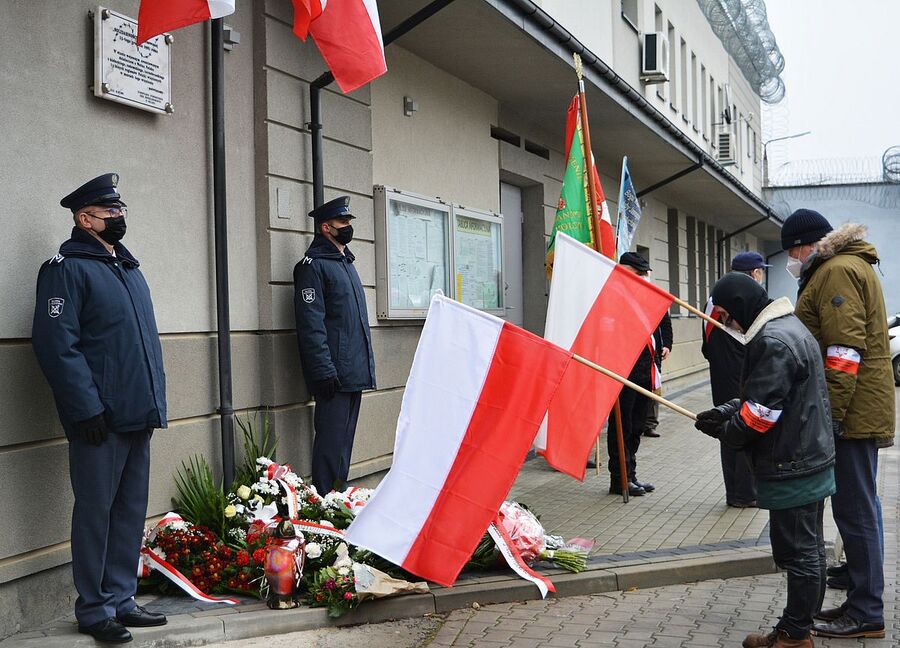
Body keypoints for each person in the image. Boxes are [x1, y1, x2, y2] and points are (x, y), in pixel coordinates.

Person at [31, 173, 168, 644]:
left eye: (120, 209)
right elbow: (57, 346)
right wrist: (85, 409)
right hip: (99, 419)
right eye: (110, 211)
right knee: (96, 513)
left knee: (129, 512)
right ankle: (93, 609)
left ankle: (122, 599)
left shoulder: (126, 267)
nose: (119, 217)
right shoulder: (66, 269)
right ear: (84, 219)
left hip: (136, 412)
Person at [694, 272, 835, 648]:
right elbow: (768, 396)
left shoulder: (772, 340)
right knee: (809, 549)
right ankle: (798, 628)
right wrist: (726, 411)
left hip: (793, 463)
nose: (729, 325)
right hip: (807, 457)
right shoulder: (787, 327)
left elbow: (761, 414)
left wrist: (727, 433)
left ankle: (794, 635)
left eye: (727, 317)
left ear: (740, 307)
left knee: (799, 553)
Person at [781, 209, 893, 639]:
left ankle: (867, 612)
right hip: (858, 410)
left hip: (852, 413)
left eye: (793, 251)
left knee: (856, 509)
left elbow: (844, 351)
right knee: (858, 507)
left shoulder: (836, 271)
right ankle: (860, 599)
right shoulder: (843, 266)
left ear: (807, 245)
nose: (792, 260)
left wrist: (829, 418)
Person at [294, 196, 375, 496]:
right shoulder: (313, 267)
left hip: (353, 371)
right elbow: (311, 325)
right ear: (325, 228)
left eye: (349, 221)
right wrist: (323, 371)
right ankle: (323, 506)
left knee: (342, 447)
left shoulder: (345, 263)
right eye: (342, 222)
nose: (348, 226)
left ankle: (337, 501)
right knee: (330, 448)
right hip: (334, 375)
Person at [701, 252, 770, 508]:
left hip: (722, 374)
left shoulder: (715, 299)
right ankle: (744, 493)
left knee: (729, 429)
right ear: (754, 273)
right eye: (761, 271)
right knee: (741, 428)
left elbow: (706, 347)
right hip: (737, 375)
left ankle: (739, 491)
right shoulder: (735, 300)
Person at [606, 252, 672, 496]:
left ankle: (631, 474)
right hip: (623, 372)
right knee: (621, 428)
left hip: (646, 371)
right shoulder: (613, 297)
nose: (643, 278)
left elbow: (662, 325)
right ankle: (619, 479)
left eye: (644, 274)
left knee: (636, 427)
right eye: (638, 274)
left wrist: (666, 345)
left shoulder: (647, 297)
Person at [640, 272, 671, 439]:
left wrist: (667, 345)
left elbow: (665, 324)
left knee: (654, 386)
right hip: (636, 353)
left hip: (654, 353)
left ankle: (650, 424)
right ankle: (636, 423)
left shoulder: (657, 298)